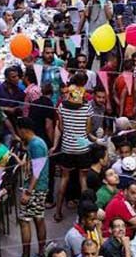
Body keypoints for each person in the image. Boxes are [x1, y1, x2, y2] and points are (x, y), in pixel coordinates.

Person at [53, 82, 93, 222]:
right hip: (82, 148)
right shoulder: (87, 106)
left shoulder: (62, 106)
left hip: (67, 148)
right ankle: (84, 214)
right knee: (83, 180)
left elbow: (61, 127)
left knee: (64, 179)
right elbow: (88, 130)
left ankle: (58, 211)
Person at [16, 117, 50, 257]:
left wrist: (28, 192)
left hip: (35, 188)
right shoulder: (35, 143)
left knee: (25, 221)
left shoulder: (36, 145)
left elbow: (37, 170)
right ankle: (41, 251)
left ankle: (26, 254)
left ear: (24, 130)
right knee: (38, 218)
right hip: (38, 187)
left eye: (19, 131)